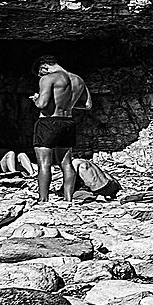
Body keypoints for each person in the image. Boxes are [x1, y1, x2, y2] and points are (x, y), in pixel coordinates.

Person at [27, 55, 91, 204]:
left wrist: (36, 98)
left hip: (49, 122)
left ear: (44, 66)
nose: (41, 76)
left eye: (40, 73)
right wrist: (66, 104)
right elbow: (87, 105)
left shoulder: (48, 78)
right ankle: (68, 199)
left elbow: (42, 104)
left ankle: (43, 200)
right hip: (68, 122)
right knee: (66, 162)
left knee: (44, 163)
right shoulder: (78, 80)